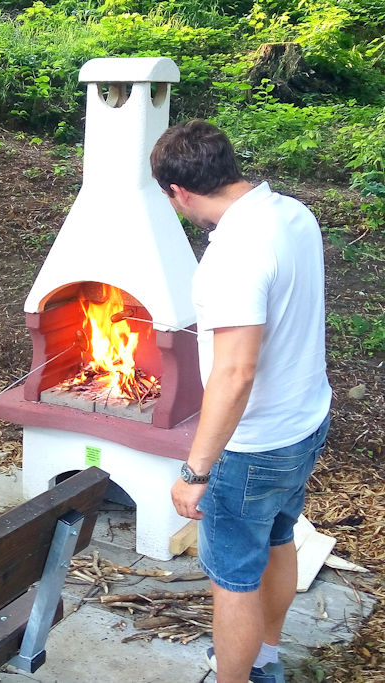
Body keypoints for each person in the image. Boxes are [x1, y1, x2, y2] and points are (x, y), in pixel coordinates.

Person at [150, 120, 331, 683]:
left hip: (253, 447)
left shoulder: (233, 255)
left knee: (232, 579)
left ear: (179, 191)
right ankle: (264, 658)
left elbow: (235, 373)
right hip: (305, 422)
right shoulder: (292, 214)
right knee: (278, 537)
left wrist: (195, 471)